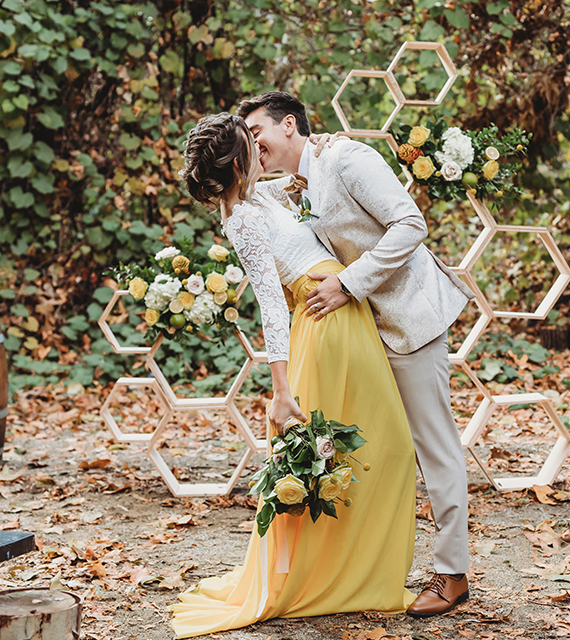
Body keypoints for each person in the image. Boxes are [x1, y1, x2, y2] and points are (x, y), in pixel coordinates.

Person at [169, 112, 418, 638]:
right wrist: (281, 390)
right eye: (251, 144)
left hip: (342, 308)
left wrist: (320, 148)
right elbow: (270, 307)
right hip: (326, 322)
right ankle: (334, 576)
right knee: (364, 448)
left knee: (378, 446)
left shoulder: (259, 197)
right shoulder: (243, 220)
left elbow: (301, 182)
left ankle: (356, 570)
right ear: (238, 161)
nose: (262, 149)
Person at [237, 91, 475, 617]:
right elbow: (256, 206)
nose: (252, 144)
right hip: (360, 336)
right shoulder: (297, 181)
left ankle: (452, 574)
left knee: (433, 445)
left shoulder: (348, 158)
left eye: (256, 132)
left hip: (408, 319)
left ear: (290, 124)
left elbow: (411, 224)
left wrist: (348, 283)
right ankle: (368, 566)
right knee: (377, 451)